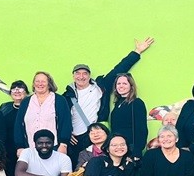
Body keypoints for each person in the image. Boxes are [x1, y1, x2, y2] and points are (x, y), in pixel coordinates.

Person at [62, 37, 154, 165]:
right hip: (75, 139)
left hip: (96, 135)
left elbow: (119, 68)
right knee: (77, 168)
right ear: (73, 76)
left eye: (85, 73)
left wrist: (137, 51)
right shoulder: (66, 95)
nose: (81, 76)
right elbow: (58, 115)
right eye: (78, 73)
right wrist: (66, 132)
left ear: (89, 75)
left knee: (99, 167)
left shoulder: (100, 87)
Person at [14, 72, 72, 157]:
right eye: (37, 81)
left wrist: (63, 144)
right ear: (33, 84)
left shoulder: (59, 100)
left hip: (55, 148)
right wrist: (20, 147)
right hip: (31, 148)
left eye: (43, 81)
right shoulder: (26, 102)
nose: (40, 84)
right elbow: (18, 125)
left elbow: (66, 123)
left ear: (49, 84)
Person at [109, 73, 148, 161]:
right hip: (118, 148)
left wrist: (137, 151)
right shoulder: (118, 104)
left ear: (131, 86)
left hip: (130, 149)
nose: (121, 86)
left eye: (124, 83)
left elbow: (141, 128)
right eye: (118, 84)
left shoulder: (137, 103)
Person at [0, 80, 29, 176]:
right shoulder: (4, 107)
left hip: (26, 146)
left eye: (20, 88)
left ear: (26, 92)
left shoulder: (32, 106)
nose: (16, 90)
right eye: (13, 88)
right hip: (8, 148)